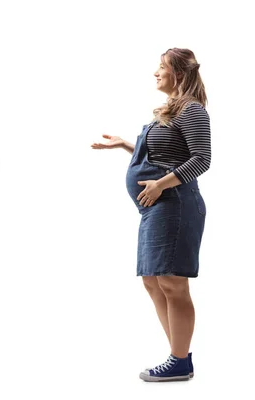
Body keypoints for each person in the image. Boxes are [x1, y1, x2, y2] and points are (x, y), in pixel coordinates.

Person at [92, 48, 211, 382]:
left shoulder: (192, 111)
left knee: (172, 283)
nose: (155, 73)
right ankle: (178, 356)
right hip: (157, 208)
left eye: (161, 67)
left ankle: (179, 359)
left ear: (178, 72)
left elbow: (202, 159)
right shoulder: (172, 111)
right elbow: (166, 153)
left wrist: (160, 184)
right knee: (153, 281)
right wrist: (127, 146)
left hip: (175, 205)